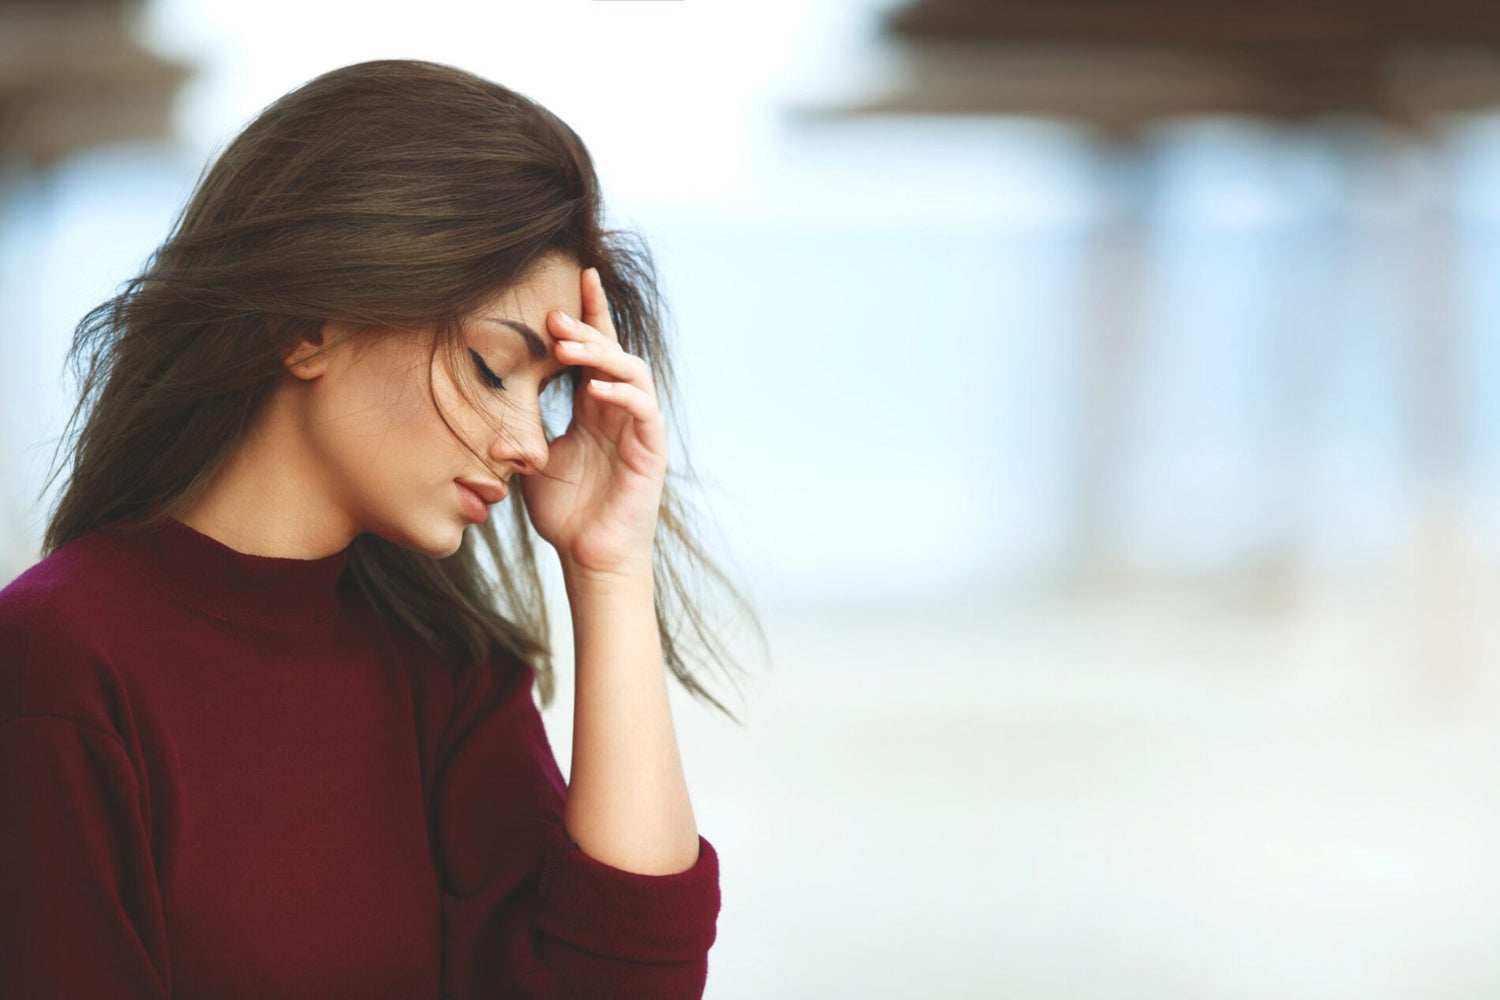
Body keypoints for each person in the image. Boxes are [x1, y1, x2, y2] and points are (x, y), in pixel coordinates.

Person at [0, 58, 760, 999]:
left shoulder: (445, 666)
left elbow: (626, 985)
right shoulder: (60, 659)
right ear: (306, 323)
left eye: (547, 394)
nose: (530, 443)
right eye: (492, 367)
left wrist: (610, 569)